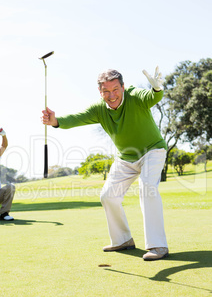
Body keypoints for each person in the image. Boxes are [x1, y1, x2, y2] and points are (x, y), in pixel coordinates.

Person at [42, 67, 169, 261]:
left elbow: (151, 98)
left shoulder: (135, 95)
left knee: (148, 187)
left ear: (123, 87)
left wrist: (157, 90)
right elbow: (76, 118)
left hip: (153, 150)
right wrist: (55, 121)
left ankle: (158, 245)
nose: (111, 95)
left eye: (116, 89)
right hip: (126, 157)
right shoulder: (99, 109)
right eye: (106, 91)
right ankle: (123, 240)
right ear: (100, 93)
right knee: (108, 196)